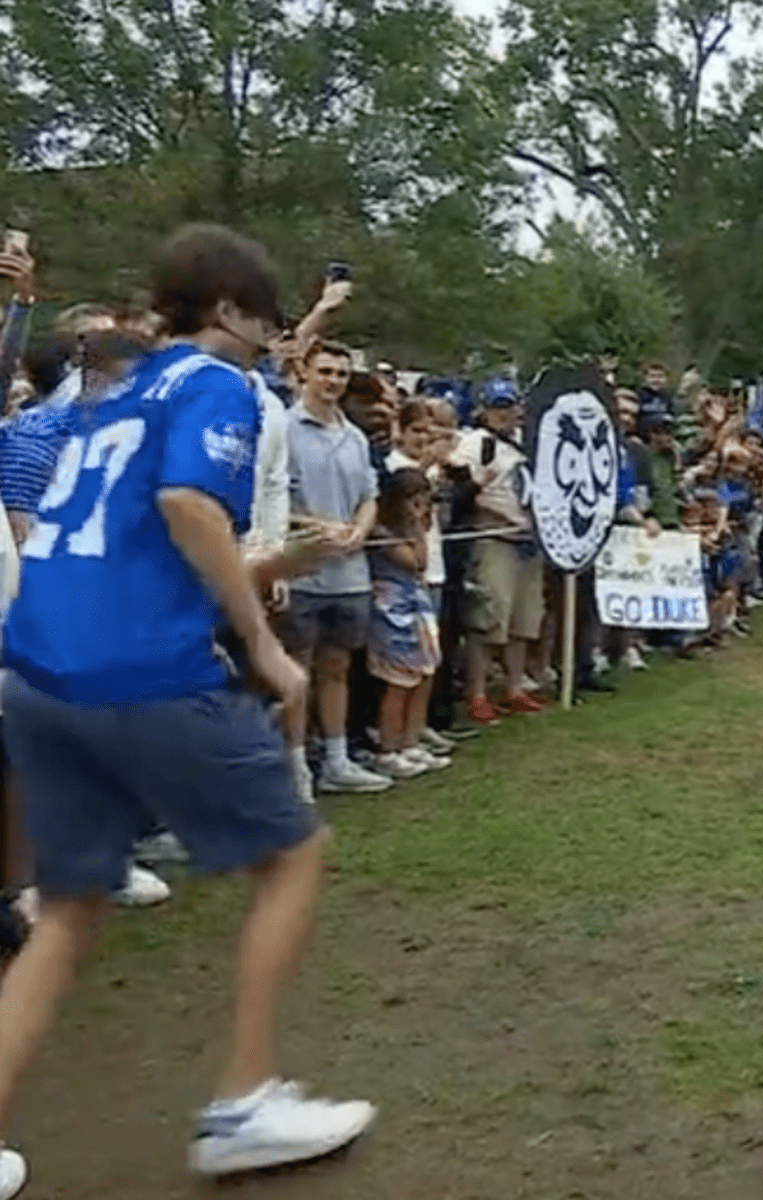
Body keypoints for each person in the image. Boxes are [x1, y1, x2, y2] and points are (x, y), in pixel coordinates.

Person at [0, 224, 375, 1200]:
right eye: (265, 320)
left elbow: (133, 535)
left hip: (37, 664)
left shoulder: (114, 389)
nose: (272, 341)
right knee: (292, 853)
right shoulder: (215, 384)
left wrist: (269, 571)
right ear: (226, 311)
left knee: (68, 914)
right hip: (136, 666)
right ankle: (246, 1101)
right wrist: (256, 641)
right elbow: (188, 510)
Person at [282, 340, 390, 793]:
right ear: (303, 372)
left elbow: (370, 495)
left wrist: (359, 530)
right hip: (301, 567)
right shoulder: (282, 428)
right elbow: (270, 499)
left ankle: (337, 758)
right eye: (324, 371)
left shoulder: (355, 436)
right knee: (294, 670)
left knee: (337, 668)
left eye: (341, 374)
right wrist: (318, 525)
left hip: (349, 570)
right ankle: (295, 766)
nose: (333, 382)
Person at [450, 377, 546, 725]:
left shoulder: (526, 443)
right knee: (488, 621)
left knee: (524, 620)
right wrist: (500, 515)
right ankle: (476, 693)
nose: (504, 414)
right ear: (484, 410)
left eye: (509, 406)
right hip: (494, 538)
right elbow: (462, 492)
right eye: (497, 407)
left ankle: (515, 687)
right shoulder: (476, 444)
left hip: (528, 539)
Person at [368, 469, 449, 778]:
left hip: (416, 600)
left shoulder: (409, 529)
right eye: (415, 501)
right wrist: (416, 526)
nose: (422, 508)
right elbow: (414, 561)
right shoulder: (380, 531)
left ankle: (411, 742)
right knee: (399, 679)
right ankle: (389, 749)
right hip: (391, 606)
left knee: (423, 674)